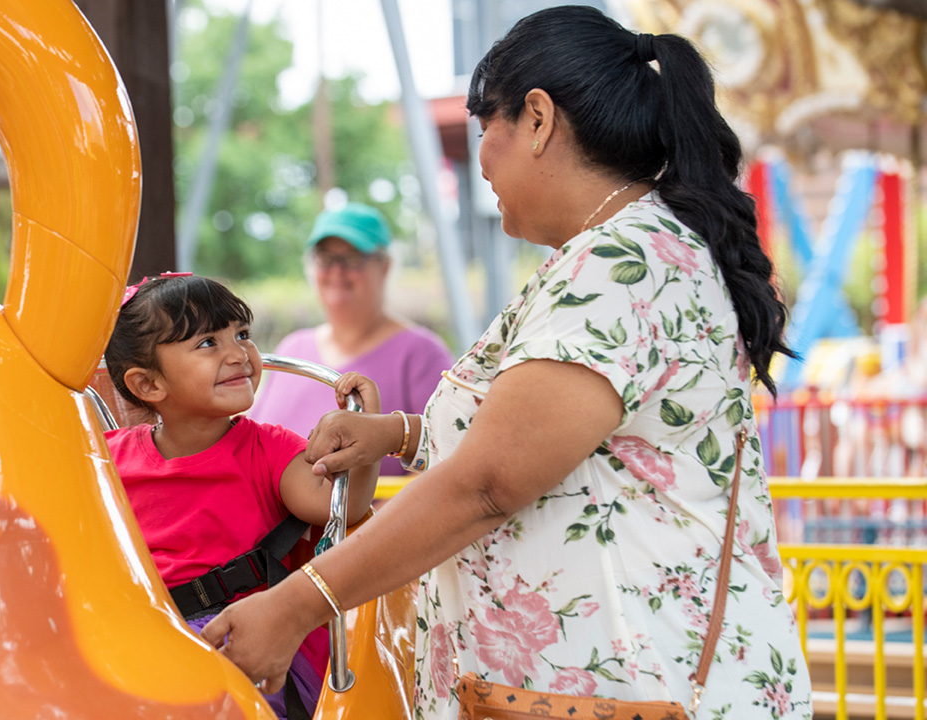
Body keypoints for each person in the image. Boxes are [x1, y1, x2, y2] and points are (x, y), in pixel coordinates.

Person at [201, 7, 812, 719]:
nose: (482, 162)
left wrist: (298, 603)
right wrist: (400, 434)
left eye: (485, 130)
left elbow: (491, 481)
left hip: (629, 685)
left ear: (538, 119)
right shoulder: (620, 251)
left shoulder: (618, 266)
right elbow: (559, 441)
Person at [102, 274, 382, 719]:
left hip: (249, 648)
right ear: (150, 386)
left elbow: (340, 508)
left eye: (242, 335)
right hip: (148, 639)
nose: (239, 354)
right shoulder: (109, 459)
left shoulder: (268, 447)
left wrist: (367, 439)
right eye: (208, 344)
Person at [249, 202, 454, 476]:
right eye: (325, 258)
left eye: (353, 258)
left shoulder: (420, 354)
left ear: (384, 266)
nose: (337, 271)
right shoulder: (293, 348)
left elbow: (448, 459)